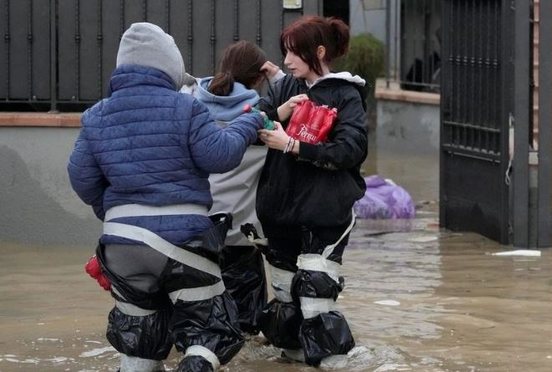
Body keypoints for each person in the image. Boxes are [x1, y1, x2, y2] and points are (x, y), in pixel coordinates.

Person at [67, 22, 264, 372]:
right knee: (211, 331)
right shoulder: (185, 108)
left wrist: (115, 212)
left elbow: (81, 179)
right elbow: (219, 156)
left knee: (140, 341)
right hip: (182, 242)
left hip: (122, 245)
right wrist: (248, 124)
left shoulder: (96, 115)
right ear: (170, 65)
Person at [255, 15, 369, 366]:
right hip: (279, 211)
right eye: (285, 52)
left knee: (316, 295)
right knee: (285, 296)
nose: (286, 61)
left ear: (318, 52)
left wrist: (292, 145)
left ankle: (336, 361)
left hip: (326, 210)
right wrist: (277, 112)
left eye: (294, 53)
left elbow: (352, 150)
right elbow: (250, 124)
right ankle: (292, 355)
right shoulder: (284, 88)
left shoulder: (346, 94)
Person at [180, 40, 284, 336]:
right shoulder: (261, 120)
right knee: (246, 331)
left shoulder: (190, 108)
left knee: (198, 325)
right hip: (241, 237)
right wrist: (277, 78)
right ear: (258, 76)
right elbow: (308, 105)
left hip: (195, 231)